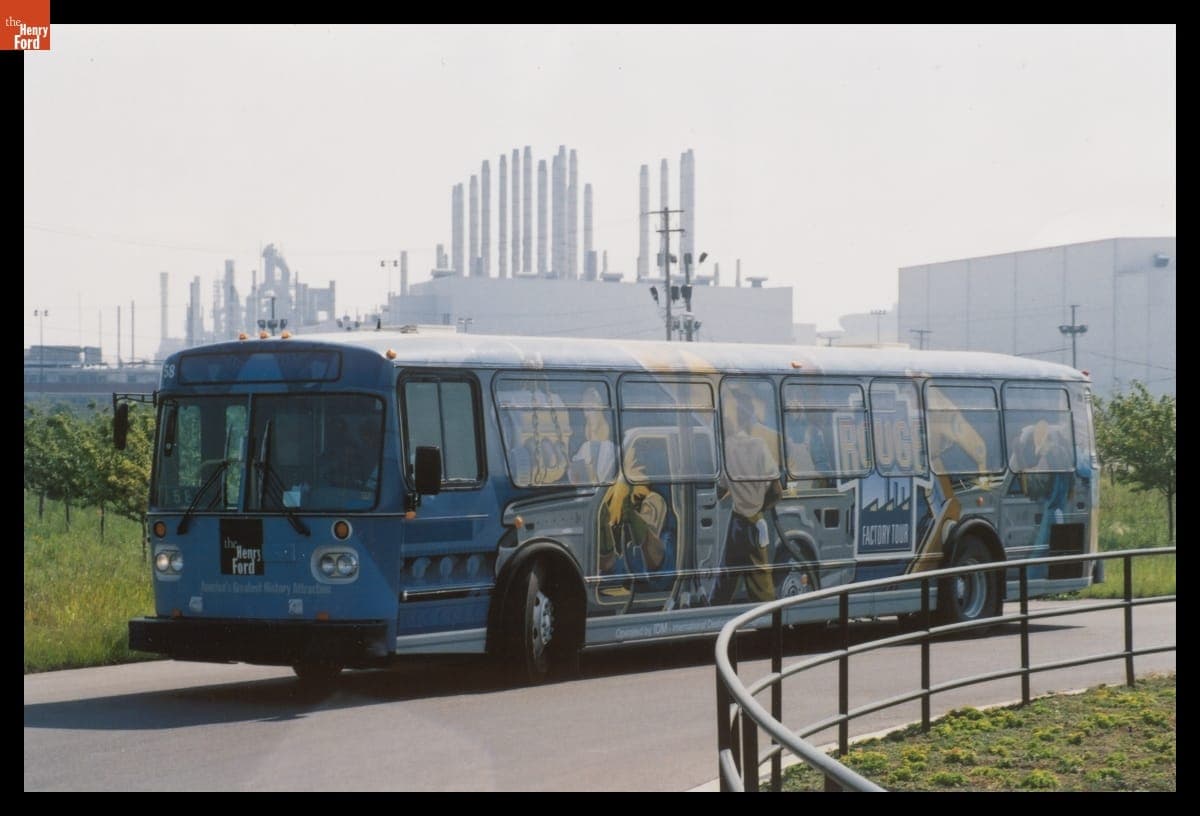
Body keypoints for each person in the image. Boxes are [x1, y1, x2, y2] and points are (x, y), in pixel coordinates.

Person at [711, 397, 784, 605]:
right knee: (761, 583)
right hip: (755, 522)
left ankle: (714, 615)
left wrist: (737, 492)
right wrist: (760, 506)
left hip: (736, 522)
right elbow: (777, 490)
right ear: (749, 421)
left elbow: (720, 489)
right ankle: (769, 624)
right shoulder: (759, 446)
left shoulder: (727, 450)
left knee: (726, 576)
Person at [569, 391, 617, 484]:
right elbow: (573, 476)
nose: (587, 414)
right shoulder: (584, 447)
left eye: (590, 409)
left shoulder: (612, 449)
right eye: (585, 410)